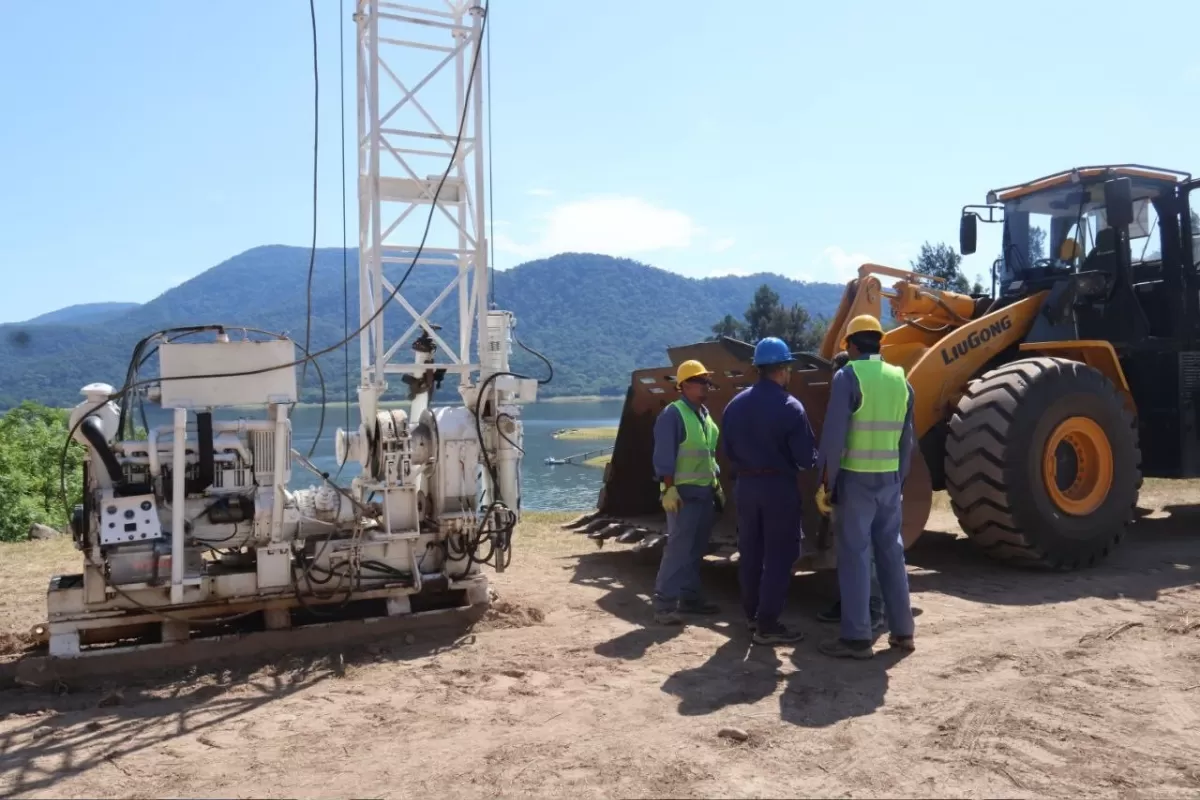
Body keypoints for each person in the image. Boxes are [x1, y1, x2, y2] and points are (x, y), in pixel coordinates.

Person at [815, 315, 917, 659]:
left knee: (856, 556)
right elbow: (907, 440)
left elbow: (833, 435)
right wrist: (898, 480)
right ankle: (903, 632)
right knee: (891, 553)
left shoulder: (848, 376)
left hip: (856, 479)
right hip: (889, 481)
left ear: (852, 345)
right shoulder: (901, 379)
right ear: (880, 342)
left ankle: (857, 638)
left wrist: (825, 481)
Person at [721, 337, 817, 645]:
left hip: (746, 487)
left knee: (750, 551)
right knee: (780, 554)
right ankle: (768, 623)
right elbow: (805, 459)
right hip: (778, 488)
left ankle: (751, 616)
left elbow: (727, 450)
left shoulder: (734, 405)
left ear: (759, 368)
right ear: (784, 369)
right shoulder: (791, 407)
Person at [815, 349, 887, 633]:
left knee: (864, 551)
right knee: (850, 551)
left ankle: (872, 609)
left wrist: (827, 484)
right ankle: (851, 604)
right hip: (859, 484)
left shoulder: (859, 400)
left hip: (863, 484)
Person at [651, 359, 723, 625]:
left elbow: (708, 453)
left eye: (707, 381)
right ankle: (664, 604)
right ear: (684, 386)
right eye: (700, 381)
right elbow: (664, 456)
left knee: (695, 547)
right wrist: (668, 488)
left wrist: (716, 483)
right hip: (681, 494)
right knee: (678, 547)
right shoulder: (673, 415)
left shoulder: (703, 415)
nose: (705, 385)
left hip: (704, 492)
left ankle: (690, 598)